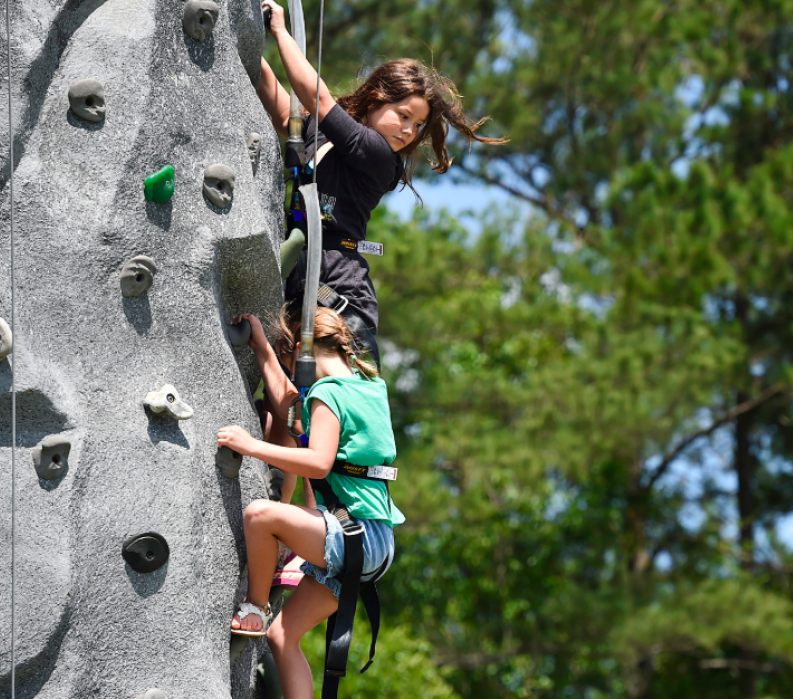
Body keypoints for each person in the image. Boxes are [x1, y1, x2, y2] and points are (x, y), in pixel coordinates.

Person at [257, 0, 507, 369]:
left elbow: (318, 98)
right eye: (403, 115)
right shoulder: (328, 139)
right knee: (284, 407)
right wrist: (242, 41)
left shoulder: (377, 156)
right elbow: (283, 110)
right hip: (300, 283)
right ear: (375, 100)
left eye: (418, 124)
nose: (409, 131)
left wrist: (279, 30)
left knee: (331, 399)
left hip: (338, 291)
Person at [218, 308, 404, 699]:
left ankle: (254, 607)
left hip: (354, 535)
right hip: (375, 542)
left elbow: (319, 463)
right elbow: (289, 400)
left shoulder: (327, 393)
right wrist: (263, 347)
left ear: (299, 355)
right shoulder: (371, 387)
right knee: (283, 638)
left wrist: (253, 446)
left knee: (260, 515)